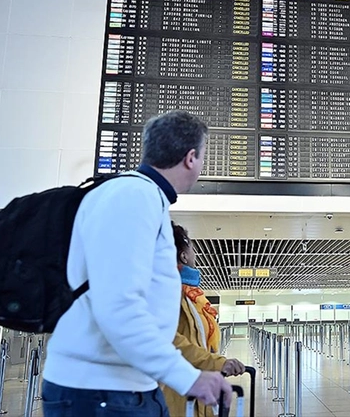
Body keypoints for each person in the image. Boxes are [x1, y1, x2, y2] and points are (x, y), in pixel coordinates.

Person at [42, 110, 231, 417]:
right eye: (203, 156)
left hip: (122, 385)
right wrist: (188, 377)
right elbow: (118, 306)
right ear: (191, 158)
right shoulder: (135, 197)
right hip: (102, 391)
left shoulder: (139, 195)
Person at [163, 223, 245, 417]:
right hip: (178, 393)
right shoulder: (168, 293)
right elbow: (169, 340)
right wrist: (215, 363)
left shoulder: (191, 297)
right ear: (184, 255)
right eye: (192, 248)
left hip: (199, 388)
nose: (195, 254)